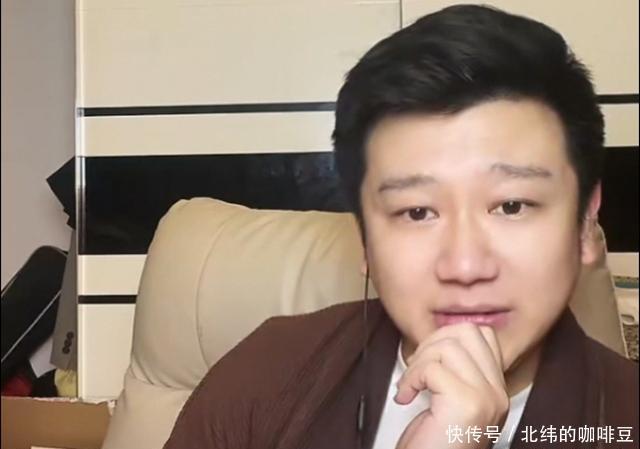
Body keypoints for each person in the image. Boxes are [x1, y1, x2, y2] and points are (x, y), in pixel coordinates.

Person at [164, 4, 638, 449]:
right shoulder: (268, 373)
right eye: (417, 212)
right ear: (365, 239)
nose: (465, 266)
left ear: (584, 222)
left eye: (511, 206)